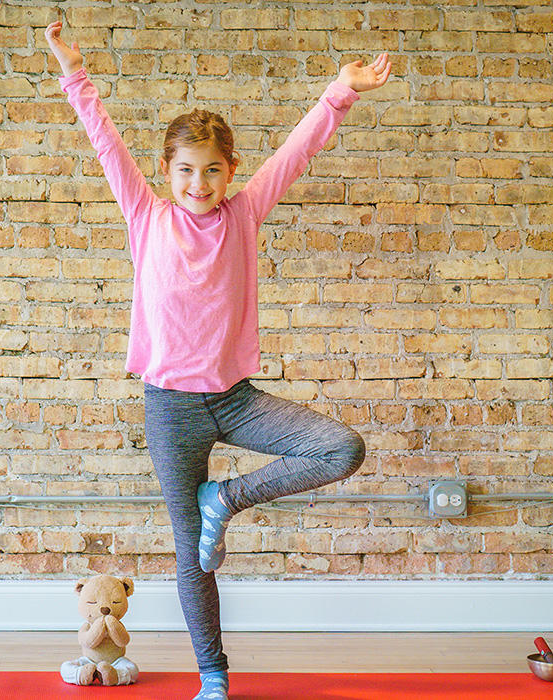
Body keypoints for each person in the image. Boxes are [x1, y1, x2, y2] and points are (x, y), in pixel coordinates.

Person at [45, 20, 392, 700]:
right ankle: (213, 675)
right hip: (171, 408)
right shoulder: (146, 217)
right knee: (190, 555)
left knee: (341, 448)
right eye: (185, 170)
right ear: (166, 171)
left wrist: (340, 94)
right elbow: (104, 141)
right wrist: (75, 74)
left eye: (212, 171)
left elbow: (297, 151)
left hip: (235, 398)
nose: (198, 183)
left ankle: (224, 499)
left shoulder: (244, 212)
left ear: (231, 172)